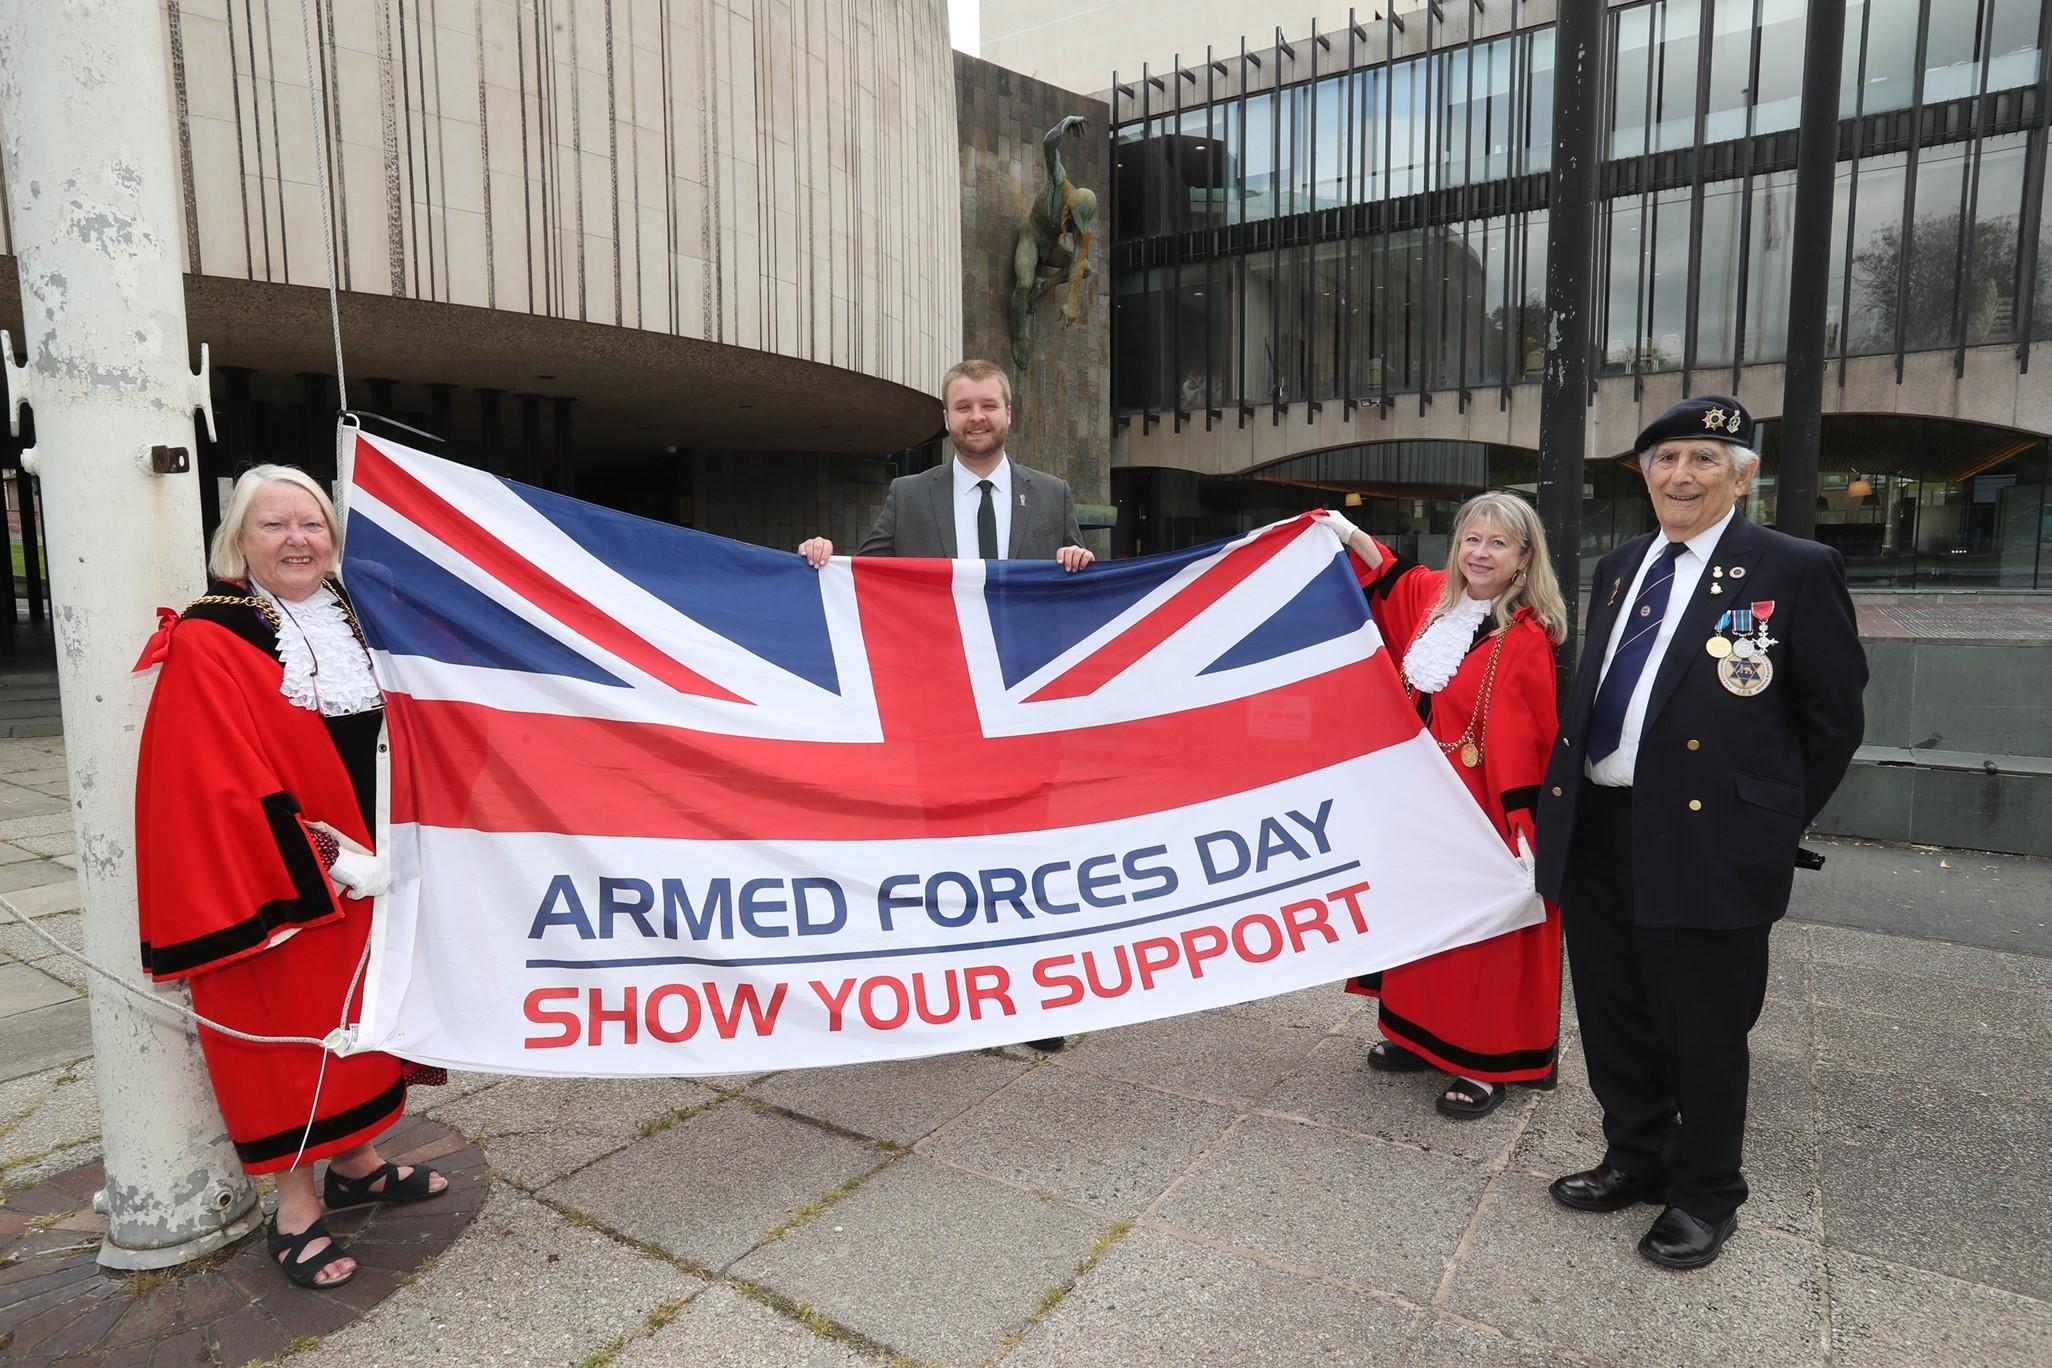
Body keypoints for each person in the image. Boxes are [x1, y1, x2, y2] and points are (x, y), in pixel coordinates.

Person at [1536, 396, 1865, 1270]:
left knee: (1704, 1026)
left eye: (1703, 460)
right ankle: (1636, 1158)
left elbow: (1832, 719)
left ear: (1743, 474)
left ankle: (1706, 1193)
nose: (1681, 475)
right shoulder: (1619, 565)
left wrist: (1768, 821)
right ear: (1643, 473)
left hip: (1707, 839)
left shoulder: (1792, 568)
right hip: (1600, 826)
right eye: (1665, 459)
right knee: (1614, 1013)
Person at [134, 465, 448, 1290]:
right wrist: (330, 857)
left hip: (378, 866)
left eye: (312, 525)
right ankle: (296, 1204)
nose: (298, 540)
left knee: (359, 1022)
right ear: (238, 541)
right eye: (274, 526)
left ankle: (359, 1163)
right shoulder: (211, 635)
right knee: (287, 1031)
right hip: (284, 875)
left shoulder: (354, 611)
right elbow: (210, 776)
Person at [800, 357, 1090, 1050]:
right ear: (947, 418)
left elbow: (1078, 597)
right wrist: (823, 556)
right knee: (949, 859)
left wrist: (1079, 563)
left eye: (988, 405)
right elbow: (866, 577)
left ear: (1009, 412)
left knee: (1024, 857)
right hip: (939, 716)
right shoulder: (910, 495)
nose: (977, 418)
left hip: (1022, 715)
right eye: (964, 407)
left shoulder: (1050, 495)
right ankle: (955, 1000)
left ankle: (1031, 1002)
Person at [1315, 494, 1566, 1120]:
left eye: (1498, 543)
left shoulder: (1526, 635)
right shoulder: (1437, 600)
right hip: (1420, 801)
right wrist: (1343, 531)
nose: (1480, 553)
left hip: (1482, 805)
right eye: (1471, 539)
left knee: (1480, 936)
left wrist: (1522, 824)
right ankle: (1414, 1034)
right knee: (1419, 922)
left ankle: (1481, 1063)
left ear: (1524, 558)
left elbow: (1526, 734)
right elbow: (1391, 572)